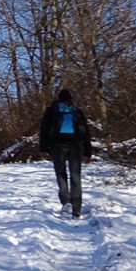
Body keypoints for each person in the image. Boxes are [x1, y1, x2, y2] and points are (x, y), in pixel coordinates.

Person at [39, 88, 93, 218]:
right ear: (70, 98)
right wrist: (88, 152)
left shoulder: (51, 111)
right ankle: (77, 208)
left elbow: (44, 130)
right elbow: (85, 133)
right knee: (75, 176)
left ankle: (66, 203)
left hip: (57, 146)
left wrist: (43, 148)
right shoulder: (77, 112)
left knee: (61, 174)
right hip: (76, 146)